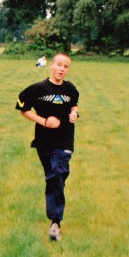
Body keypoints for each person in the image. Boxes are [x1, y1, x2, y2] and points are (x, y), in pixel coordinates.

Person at [16, 53, 79, 241]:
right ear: (51, 66)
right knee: (53, 177)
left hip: (64, 140)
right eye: (59, 64)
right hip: (43, 141)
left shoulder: (71, 89)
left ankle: (55, 223)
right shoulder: (38, 89)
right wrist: (44, 121)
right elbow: (23, 109)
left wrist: (75, 114)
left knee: (57, 174)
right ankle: (55, 215)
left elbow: (74, 105)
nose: (62, 69)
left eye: (66, 66)